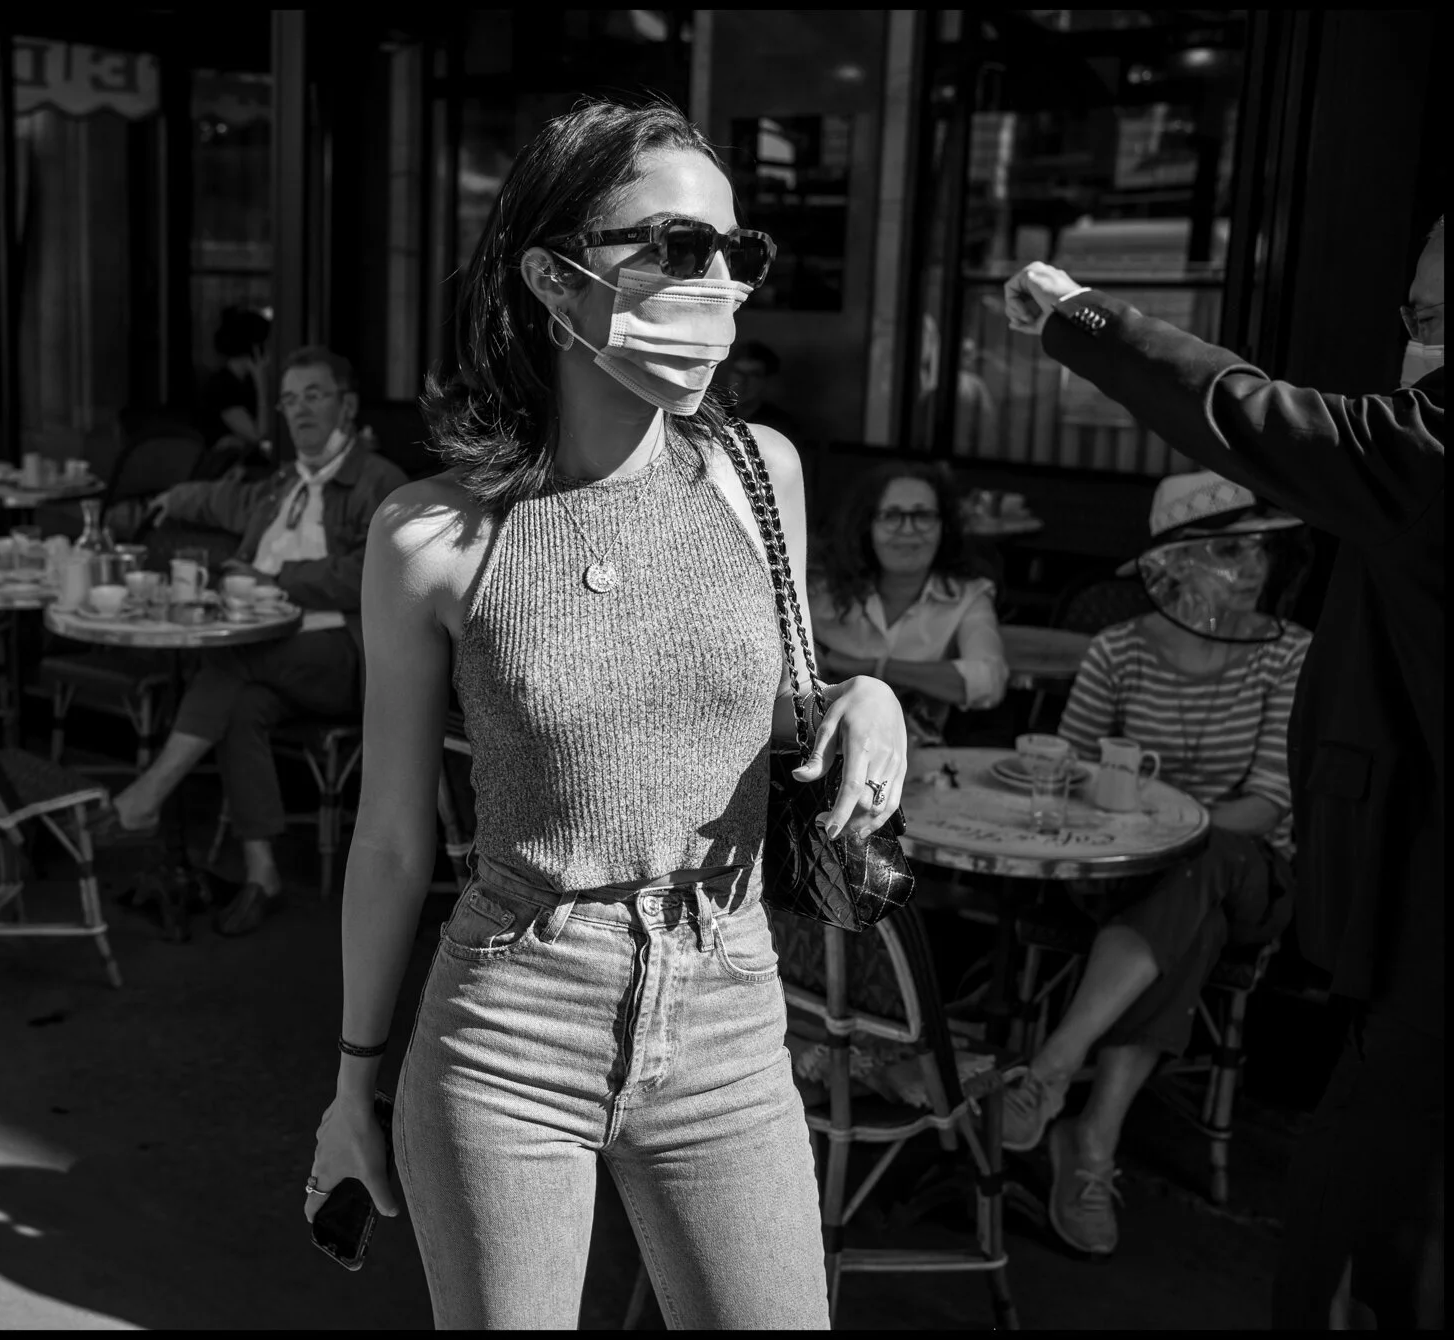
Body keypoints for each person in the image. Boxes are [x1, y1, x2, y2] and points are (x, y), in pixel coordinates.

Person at [302, 99, 908, 1329]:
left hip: (728, 1002)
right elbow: (391, 835)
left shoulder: (761, 472)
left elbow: (761, 703)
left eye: (735, 251)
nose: (714, 280)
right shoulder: (431, 532)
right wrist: (353, 1082)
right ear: (549, 274)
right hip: (511, 1020)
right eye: (675, 246)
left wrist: (864, 694)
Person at [1004, 215, 1443, 1328]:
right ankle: (1081, 1121)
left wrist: (1075, 313)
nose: (1240, 570)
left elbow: (1248, 412)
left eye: (1436, 321)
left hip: (1317, 894)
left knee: (1375, 1212)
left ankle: (1060, 1084)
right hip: (1177, 877)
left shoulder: (1299, 633)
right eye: (1415, 319)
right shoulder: (1118, 648)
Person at [1003, 470, 1311, 1258]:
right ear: (1172, 566)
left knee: (1205, 860)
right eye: (1229, 552)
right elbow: (1067, 768)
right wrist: (1118, 813)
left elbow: (1266, 806)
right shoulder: (1120, 650)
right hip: (1125, 873)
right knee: (1187, 918)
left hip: (1250, 878)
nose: (1253, 568)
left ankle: (1055, 1061)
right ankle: (1092, 1141)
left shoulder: (1288, 653)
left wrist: (1160, 825)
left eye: (1260, 552)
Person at [108, 346, 408, 938]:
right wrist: (169, 499)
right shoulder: (281, 484)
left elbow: (371, 572)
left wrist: (273, 580)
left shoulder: (381, 482)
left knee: (233, 656)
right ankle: (261, 872)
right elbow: (220, 499)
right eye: (290, 400)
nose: (300, 410)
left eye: (314, 395)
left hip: (344, 655)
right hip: (272, 655)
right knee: (240, 704)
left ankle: (148, 794)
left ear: (347, 405)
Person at [810, 460, 1008, 745]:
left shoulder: (968, 596)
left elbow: (988, 681)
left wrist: (868, 667)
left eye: (922, 515)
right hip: (820, 750)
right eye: (891, 515)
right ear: (867, 525)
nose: (907, 529)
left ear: (944, 527)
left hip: (918, 758)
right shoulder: (820, 589)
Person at [195, 306, 273, 480]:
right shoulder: (222, 385)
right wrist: (261, 383)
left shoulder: (245, 383)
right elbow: (258, 434)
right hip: (222, 474)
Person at [721, 337, 803, 440]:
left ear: (767, 380)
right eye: (738, 372)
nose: (743, 381)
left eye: (753, 375)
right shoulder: (714, 414)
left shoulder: (781, 425)